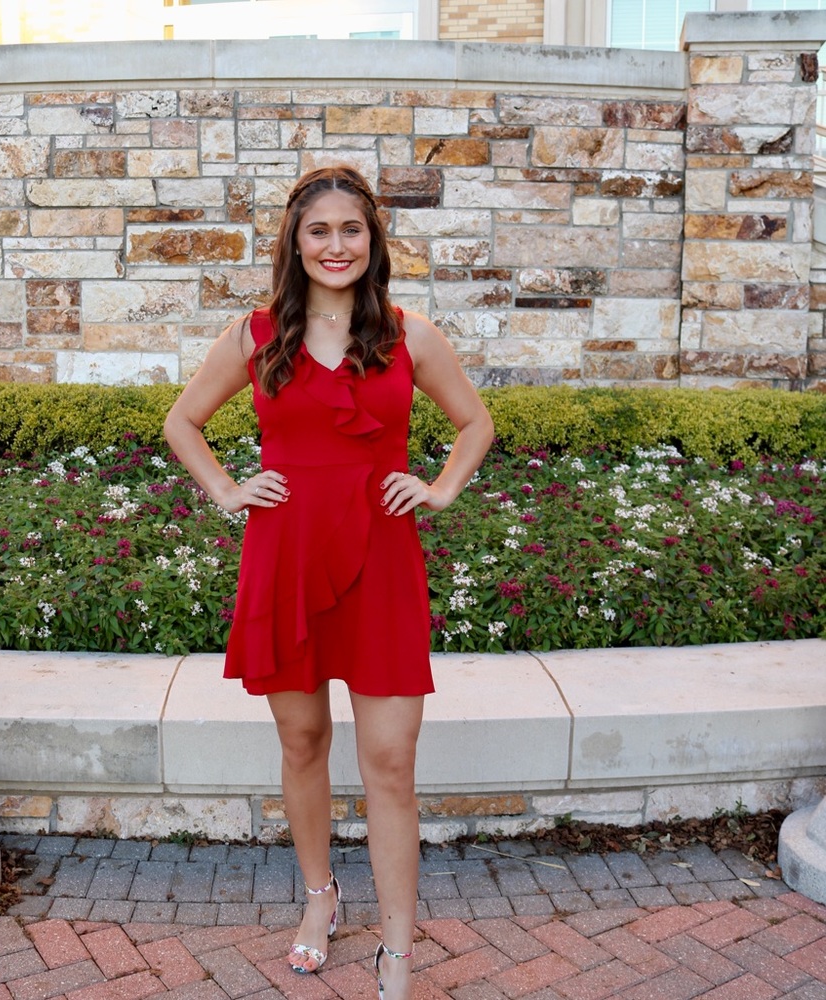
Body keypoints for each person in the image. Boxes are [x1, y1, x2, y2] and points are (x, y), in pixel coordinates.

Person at [164, 165, 494, 1000]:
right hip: (287, 556)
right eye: (320, 231)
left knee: (390, 761)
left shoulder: (410, 336)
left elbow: (475, 423)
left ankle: (398, 951)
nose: (336, 245)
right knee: (303, 742)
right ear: (296, 241)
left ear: (373, 239)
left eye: (352, 229)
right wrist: (227, 489)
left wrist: (440, 488)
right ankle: (320, 898)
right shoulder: (256, 335)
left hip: (382, 559)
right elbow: (183, 421)